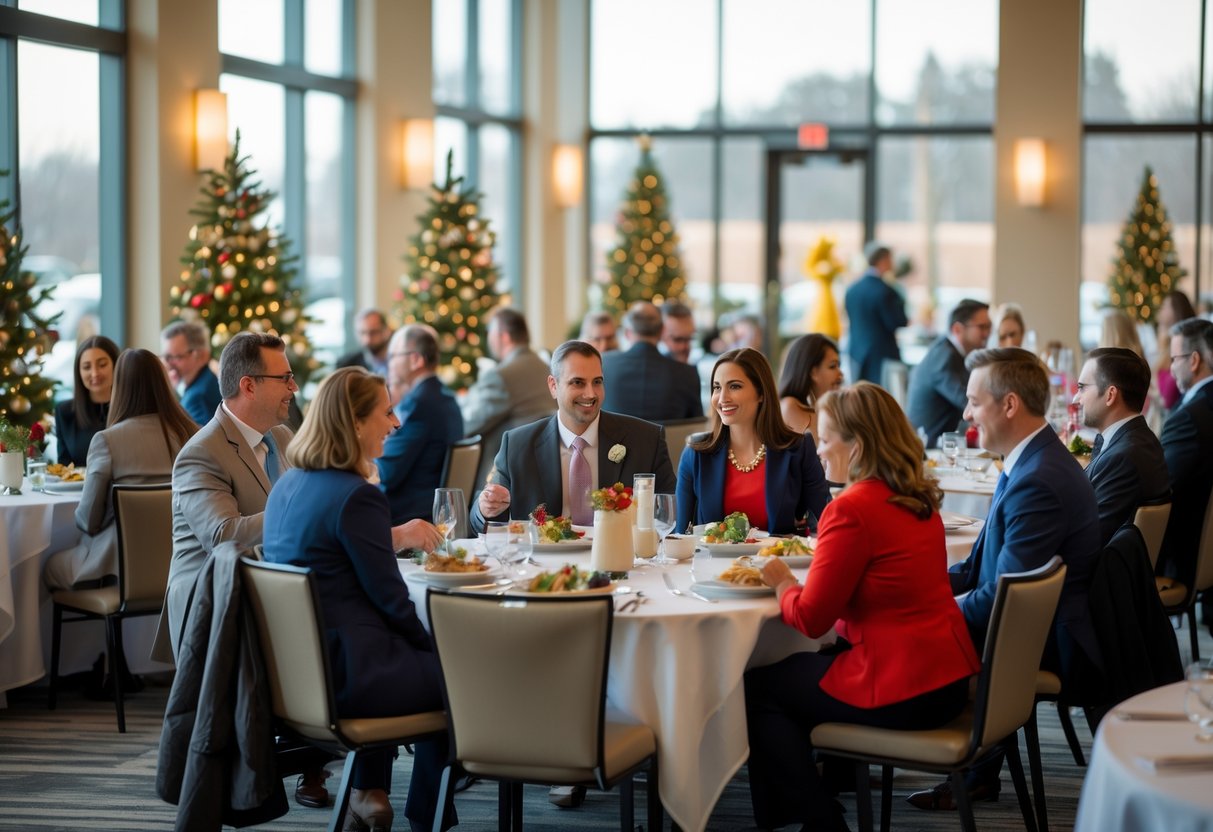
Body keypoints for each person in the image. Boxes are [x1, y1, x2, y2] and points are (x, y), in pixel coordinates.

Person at [745, 383, 979, 832]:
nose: (817, 449)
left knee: (757, 689)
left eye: (826, 437)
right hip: (946, 679)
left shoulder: (851, 508)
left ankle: (823, 821)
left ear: (858, 445)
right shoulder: (916, 498)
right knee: (807, 666)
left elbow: (811, 620)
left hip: (902, 688)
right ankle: (814, 799)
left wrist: (782, 582)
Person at [910, 347, 1102, 811]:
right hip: (1027, 626)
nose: (965, 412)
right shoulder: (1032, 460)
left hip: (1045, 640)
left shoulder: (1038, 478)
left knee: (869, 651)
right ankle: (978, 774)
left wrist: (923, 617)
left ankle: (845, 757)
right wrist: (916, 590)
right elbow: (978, 570)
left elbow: (1001, 598)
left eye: (974, 401)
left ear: (1009, 404)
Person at [263, 367, 454, 832]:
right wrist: (438, 651)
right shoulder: (355, 496)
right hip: (346, 678)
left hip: (294, 675)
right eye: (386, 412)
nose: (396, 423)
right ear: (353, 422)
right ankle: (428, 820)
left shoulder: (288, 484)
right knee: (460, 678)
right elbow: (392, 601)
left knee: (411, 653)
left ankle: (369, 793)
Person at [158, 332, 334, 809]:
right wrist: (301, 509)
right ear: (249, 385)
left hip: (272, 584)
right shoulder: (201, 452)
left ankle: (330, 757)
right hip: (213, 600)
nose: (294, 388)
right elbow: (223, 535)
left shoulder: (280, 437)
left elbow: (310, 496)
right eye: (285, 378)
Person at [471, 340, 676, 534]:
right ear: (553, 386)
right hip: (544, 564)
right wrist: (487, 508)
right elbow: (480, 521)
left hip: (622, 563)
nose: (590, 394)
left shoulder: (645, 440)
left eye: (597, 382)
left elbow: (673, 514)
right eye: (578, 382)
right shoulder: (518, 445)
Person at [43, 348, 198, 591]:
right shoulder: (192, 434)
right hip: (185, 567)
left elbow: (88, 520)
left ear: (120, 387)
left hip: (117, 572)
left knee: (49, 566)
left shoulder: (107, 441)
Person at [675, 348, 830, 535]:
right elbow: (680, 535)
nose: (722, 398)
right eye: (717, 387)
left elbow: (827, 520)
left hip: (779, 562)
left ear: (761, 393)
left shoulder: (798, 449)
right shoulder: (696, 453)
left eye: (735, 386)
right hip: (713, 563)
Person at [1075, 348, 1170, 546]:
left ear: (1110, 395)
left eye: (1082, 387)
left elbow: (1087, 539)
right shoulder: (1139, 439)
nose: (1077, 398)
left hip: (1100, 573)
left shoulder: (1124, 457)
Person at [377, 325, 464, 525]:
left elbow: (385, 473)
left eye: (393, 356)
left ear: (415, 359)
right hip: (429, 507)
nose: (388, 363)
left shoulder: (419, 404)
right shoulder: (446, 398)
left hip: (409, 514)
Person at [460, 307, 555, 486]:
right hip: (546, 468)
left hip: (503, 477)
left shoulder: (502, 376)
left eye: (490, 333)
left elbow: (468, 424)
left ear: (504, 336)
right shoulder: (546, 368)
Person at [1158, 317, 1213, 592]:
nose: (1170, 369)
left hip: (1181, 556)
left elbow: (1160, 487)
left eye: (1174, 359)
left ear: (1193, 360)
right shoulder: (1198, 405)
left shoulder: (1190, 418)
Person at [906, 299, 991, 448]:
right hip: (928, 450)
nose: (987, 334)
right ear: (957, 329)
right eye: (982, 327)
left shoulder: (949, 351)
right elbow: (969, 403)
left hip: (944, 445)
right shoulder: (944, 360)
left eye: (989, 327)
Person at [602, 301, 703, 422]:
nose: (685, 347)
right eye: (678, 339)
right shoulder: (687, 374)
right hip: (670, 441)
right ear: (661, 332)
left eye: (689, 339)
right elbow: (697, 430)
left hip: (614, 441)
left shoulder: (604, 364)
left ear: (627, 333)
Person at [844, 241, 907, 384]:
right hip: (882, 355)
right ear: (883, 260)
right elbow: (897, 321)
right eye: (890, 259)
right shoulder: (886, 291)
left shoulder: (852, 289)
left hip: (856, 352)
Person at [53, 335, 119, 466]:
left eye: (102, 364)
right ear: (79, 372)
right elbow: (64, 467)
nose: (94, 373)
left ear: (117, 365)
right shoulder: (64, 412)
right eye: (87, 367)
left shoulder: (132, 408)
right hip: (79, 487)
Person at [778, 333, 844, 439]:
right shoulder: (789, 406)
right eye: (832, 366)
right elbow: (821, 452)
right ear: (813, 372)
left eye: (839, 366)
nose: (840, 374)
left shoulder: (826, 407)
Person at [161, 320, 221, 426]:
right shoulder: (208, 380)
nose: (168, 364)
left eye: (174, 357)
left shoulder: (198, 398)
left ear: (201, 355)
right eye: (166, 357)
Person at [1154, 291, 1198, 411]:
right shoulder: (1165, 341)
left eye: (1164, 306)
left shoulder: (1186, 344)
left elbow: (1169, 395)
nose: (1160, 310)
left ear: (1176, 309)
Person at [337, 308, 393, 377]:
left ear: (387, 331)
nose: (367, 340)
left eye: (373, 332)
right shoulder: (346, 365)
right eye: (362, 333)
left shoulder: (400, 361)